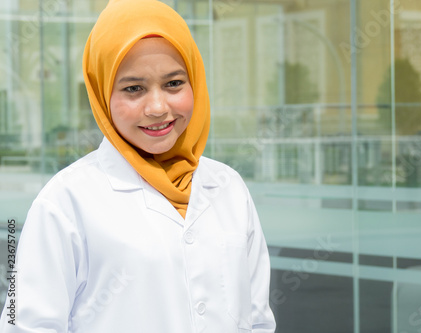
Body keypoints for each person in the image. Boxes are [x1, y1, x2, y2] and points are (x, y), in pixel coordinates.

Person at [0, 0, 276, 332]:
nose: (158, 107)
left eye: (174, 83)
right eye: (134, 89)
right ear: (102, 94)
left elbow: (257, 320)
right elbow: (26, 325)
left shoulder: (228, 187)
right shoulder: (65, 201)